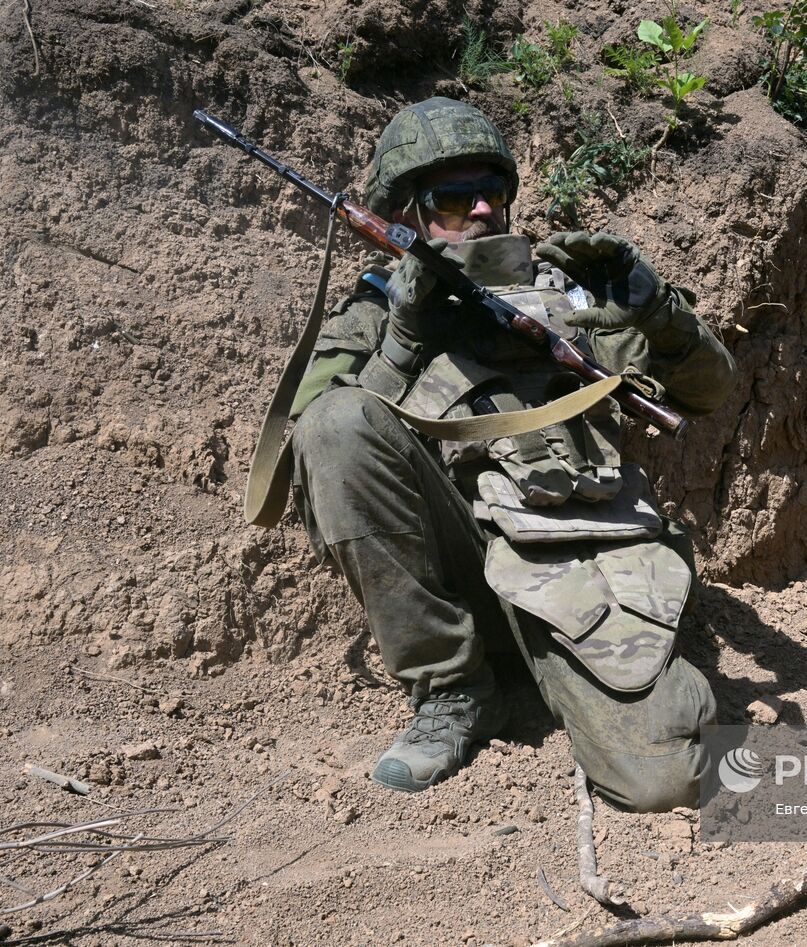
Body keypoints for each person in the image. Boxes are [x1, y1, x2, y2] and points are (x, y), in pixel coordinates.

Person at [285, 97, 737, 811]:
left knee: (671, 776)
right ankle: (454, 691)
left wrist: (657, 311)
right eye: (453, 200)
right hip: (464, 573)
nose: (483, 212)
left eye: (492, 193)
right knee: (339, 422)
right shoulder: (375, 314)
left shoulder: (567, 302)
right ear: (404, 214)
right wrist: (403, 343)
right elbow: (312, 447)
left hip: (578, 578)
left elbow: (707, 393)